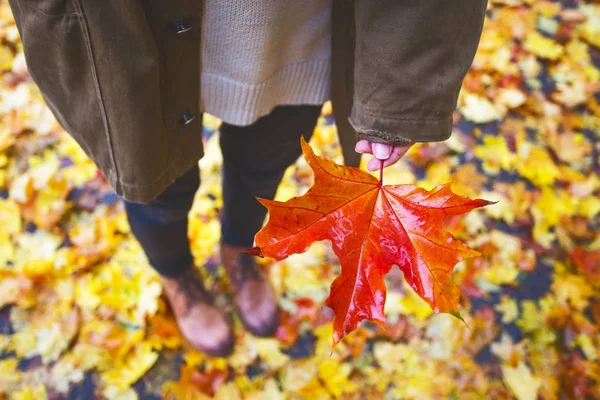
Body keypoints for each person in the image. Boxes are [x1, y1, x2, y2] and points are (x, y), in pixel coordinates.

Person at [8, 0, 487, 357]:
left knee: (265, 165)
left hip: (293, 35)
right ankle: (179, 279)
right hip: (127, 40)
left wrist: (400, 95)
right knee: (156, 188)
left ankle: (240, 252)